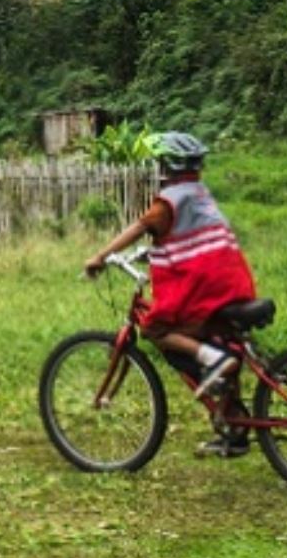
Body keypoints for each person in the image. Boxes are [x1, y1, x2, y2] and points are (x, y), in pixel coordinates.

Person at [83, 130, 259, 457]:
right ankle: (234, 430)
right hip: (232, 279)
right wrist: (154, 255)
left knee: (155, 328)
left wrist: (100, 257)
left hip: (205, 284)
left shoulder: (168, 202)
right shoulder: (200, 194)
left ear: (167, 164)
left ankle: (214, 361)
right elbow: (188, 240)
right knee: (220, 338)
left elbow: (137, 229)